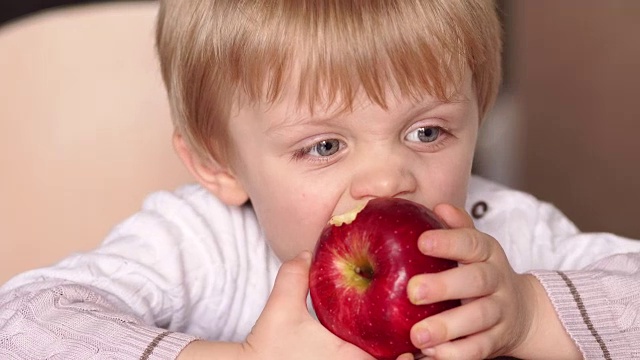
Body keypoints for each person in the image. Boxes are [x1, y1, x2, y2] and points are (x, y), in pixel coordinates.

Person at [2, 0, 640, 359]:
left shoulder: (503, 234)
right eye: (325, 145)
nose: (389, 177)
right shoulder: (197, 245)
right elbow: (24, 325)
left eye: (428, 132)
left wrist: (529, 314)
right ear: (219, 166)